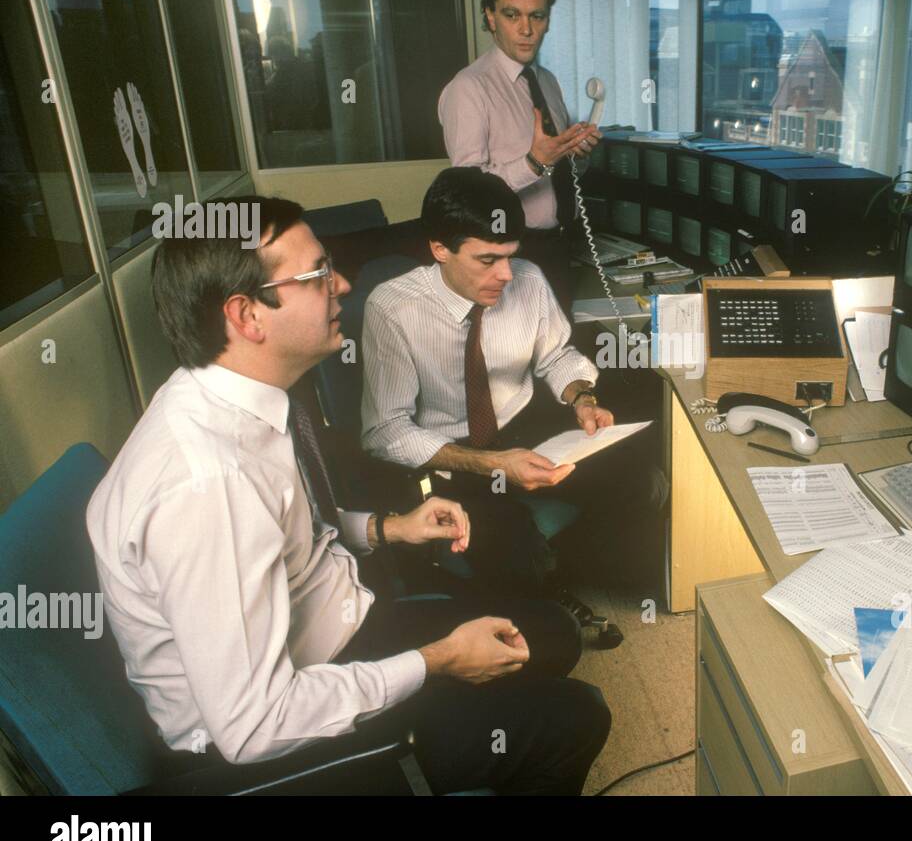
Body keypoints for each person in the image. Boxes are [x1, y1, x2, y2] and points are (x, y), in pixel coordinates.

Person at [86, 195, 609, 794]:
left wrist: (390, 528)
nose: (340, 284)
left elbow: (287, 537)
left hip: (337, 624)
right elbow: (254, 726)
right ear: (248, 316)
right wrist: (437, 660)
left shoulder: (232, 397)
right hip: (283, 734)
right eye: (315, 275)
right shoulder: (207, 484)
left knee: (549, 634)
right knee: (576, 715)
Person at [360, 168, 667, 599]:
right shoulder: (392, 309)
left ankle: (567, 566)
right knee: (515, 556)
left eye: (510, 255)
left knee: (641, 483)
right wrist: (493, 465)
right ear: (439, 249)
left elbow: (557, 355)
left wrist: (582, 397)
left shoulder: (527, 278)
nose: (506, 274)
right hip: (451, 458)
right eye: (487, 260)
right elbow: (385, 431)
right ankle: (545, 580)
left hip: (525, 434)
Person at [438, 0, 600, 310]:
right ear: (491, 17)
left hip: (559, 247)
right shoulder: (468, 88)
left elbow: (561, 169)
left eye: (537, 16)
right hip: (508, 253)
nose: (526, 29)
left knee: (560, 352)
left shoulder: (548, 82)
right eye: (512, 15)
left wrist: (578, 157)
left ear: (547, 21)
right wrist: (534, 161)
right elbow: (467, 198)